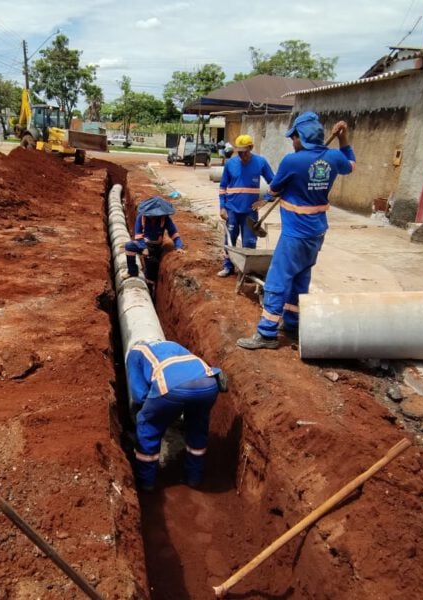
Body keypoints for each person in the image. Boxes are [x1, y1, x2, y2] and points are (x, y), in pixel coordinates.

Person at [237, 112, 355, 350]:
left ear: (302, 137)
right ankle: (292, 323)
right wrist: (344, 138)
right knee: (301, 278)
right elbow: (350, 165)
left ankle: (267, 333)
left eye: (294, 137)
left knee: (276, 280)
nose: (292, 142)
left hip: (295, 234)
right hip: (317, 233)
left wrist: (268, 198)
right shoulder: (333, 157)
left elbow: (274, 188)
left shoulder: (293, 161)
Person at [127, 340, 226, 491]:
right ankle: (194, 477)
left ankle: (146, 481)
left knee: (148, 424)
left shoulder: (135, 352)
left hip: (172, 387)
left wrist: (155, 412)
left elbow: (139, 395)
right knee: (197, 425)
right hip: (209, 383)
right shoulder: (170, 344)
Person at [217, 134, 275, 277]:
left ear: (251, 148)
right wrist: (222, 207)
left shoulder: (260, 162)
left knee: (249, 242)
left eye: (245, 151)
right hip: (232, 210)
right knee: (230, 240)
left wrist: (266, 199)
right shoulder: (230, 164)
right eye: (239, 151)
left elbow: (274, 182)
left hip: (250, 211)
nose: (242, 154)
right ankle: (228, 267)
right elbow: (223, 186)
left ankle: (248, 271)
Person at [124, 196, 183, 297]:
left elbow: (174, 234)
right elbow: (138, 235)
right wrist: (143, 248)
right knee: (129, 246)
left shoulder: (165, 219)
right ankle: (132, 271)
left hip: (155, 247)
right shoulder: (140, 218)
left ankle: (151, 289)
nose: (153, 217)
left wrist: (178, 246)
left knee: (152, 269)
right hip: (143, 243)